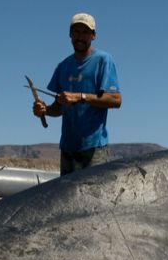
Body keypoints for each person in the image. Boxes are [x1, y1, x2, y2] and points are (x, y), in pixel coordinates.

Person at [32, 13, 122, 174]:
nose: (80, 37)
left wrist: (81, 97)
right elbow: (58, 108)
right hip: (67, 149)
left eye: (85, 32)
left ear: (93, 35)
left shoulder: (104, 60)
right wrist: (44, 110)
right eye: (76, 32)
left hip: (94, 148)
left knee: (94, 197)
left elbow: (116, 100)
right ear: (70, 35)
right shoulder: (63, 66)